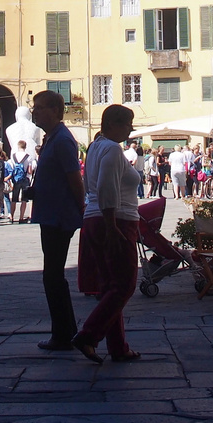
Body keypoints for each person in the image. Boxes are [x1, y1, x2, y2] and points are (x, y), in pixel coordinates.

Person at [72, 104, 141, 364]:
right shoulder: (112, 149)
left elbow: (92, 186)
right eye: (127, 124)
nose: (130, 129)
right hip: (115, 220)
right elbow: (106, 187)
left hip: (94, 218)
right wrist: (112, 227)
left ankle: (118, 346)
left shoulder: (95, 147)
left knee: (111, 287)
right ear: (112, 123)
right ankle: (88, 335)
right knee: (124, 285)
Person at [30, 90, 85, 351]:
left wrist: (81, 209)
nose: (34, 111)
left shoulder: (62, 140)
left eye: (39, 107)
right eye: (34, 107)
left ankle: (62, 334)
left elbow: (75, 179)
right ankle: (66, 330)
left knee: (52, 275)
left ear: (55, 110)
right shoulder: (52, 137)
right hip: (51, 212)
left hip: (58, 216)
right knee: (53, 275)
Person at [9, 139, 34, 223]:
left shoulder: (13, 156)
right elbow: (30, 171)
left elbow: (12, 168)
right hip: (25, 179)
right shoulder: (28, 157)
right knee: (24, 199)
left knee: (14, 199)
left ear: (18, 146)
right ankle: (21, 217)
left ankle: (11, 217)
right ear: (25, 147)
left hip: (16, 179)